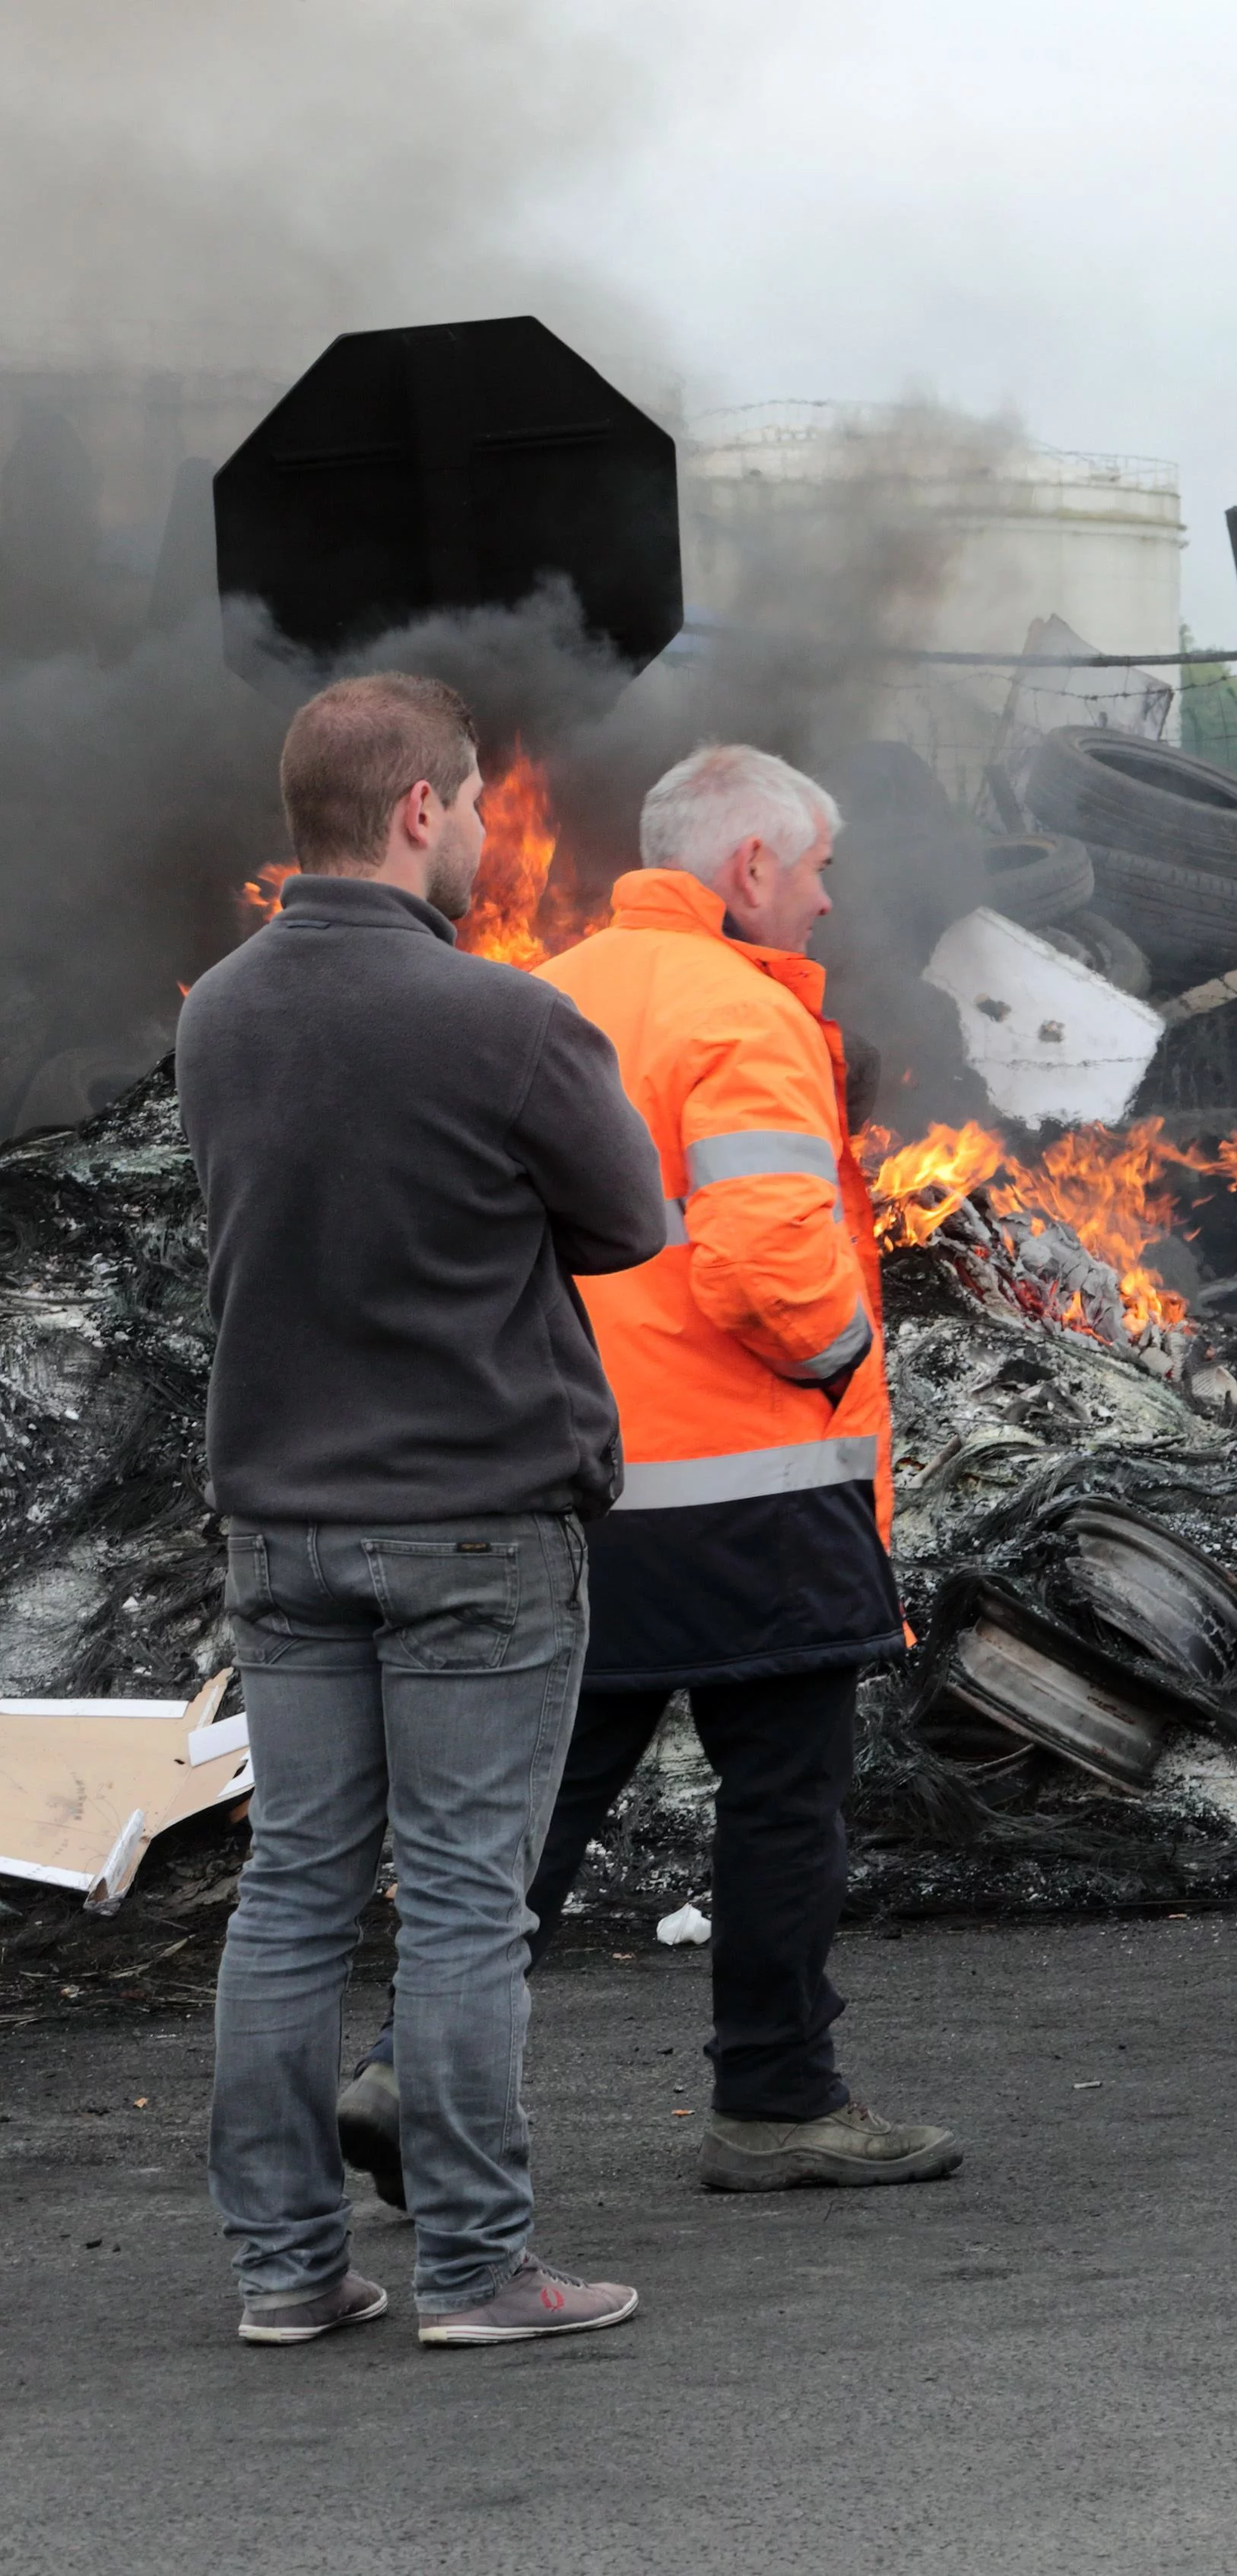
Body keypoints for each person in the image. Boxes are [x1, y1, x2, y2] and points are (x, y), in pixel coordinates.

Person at [341, 743, 963, 2199]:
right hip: (752, 1488)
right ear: (750, 866)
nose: (822, 901)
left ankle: (408, 2065)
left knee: (540, 1798)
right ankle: (776, 2100)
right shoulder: (740, 1012)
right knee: (783, 1802)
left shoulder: (538, 995)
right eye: (813, 871)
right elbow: (766, 1258)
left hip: (572, 1477)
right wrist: (834, 1357)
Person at [182, 672, 670, 2346]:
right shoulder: (505, 1018)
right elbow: (630, 1225)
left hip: (281, 1523)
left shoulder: (219, 1012)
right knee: (466, 1899)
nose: (480, 831)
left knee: (296, 1891)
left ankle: (284, 2270)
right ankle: (474, 2269)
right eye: (468, 803)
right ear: (416, 810)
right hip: (475, 1517)